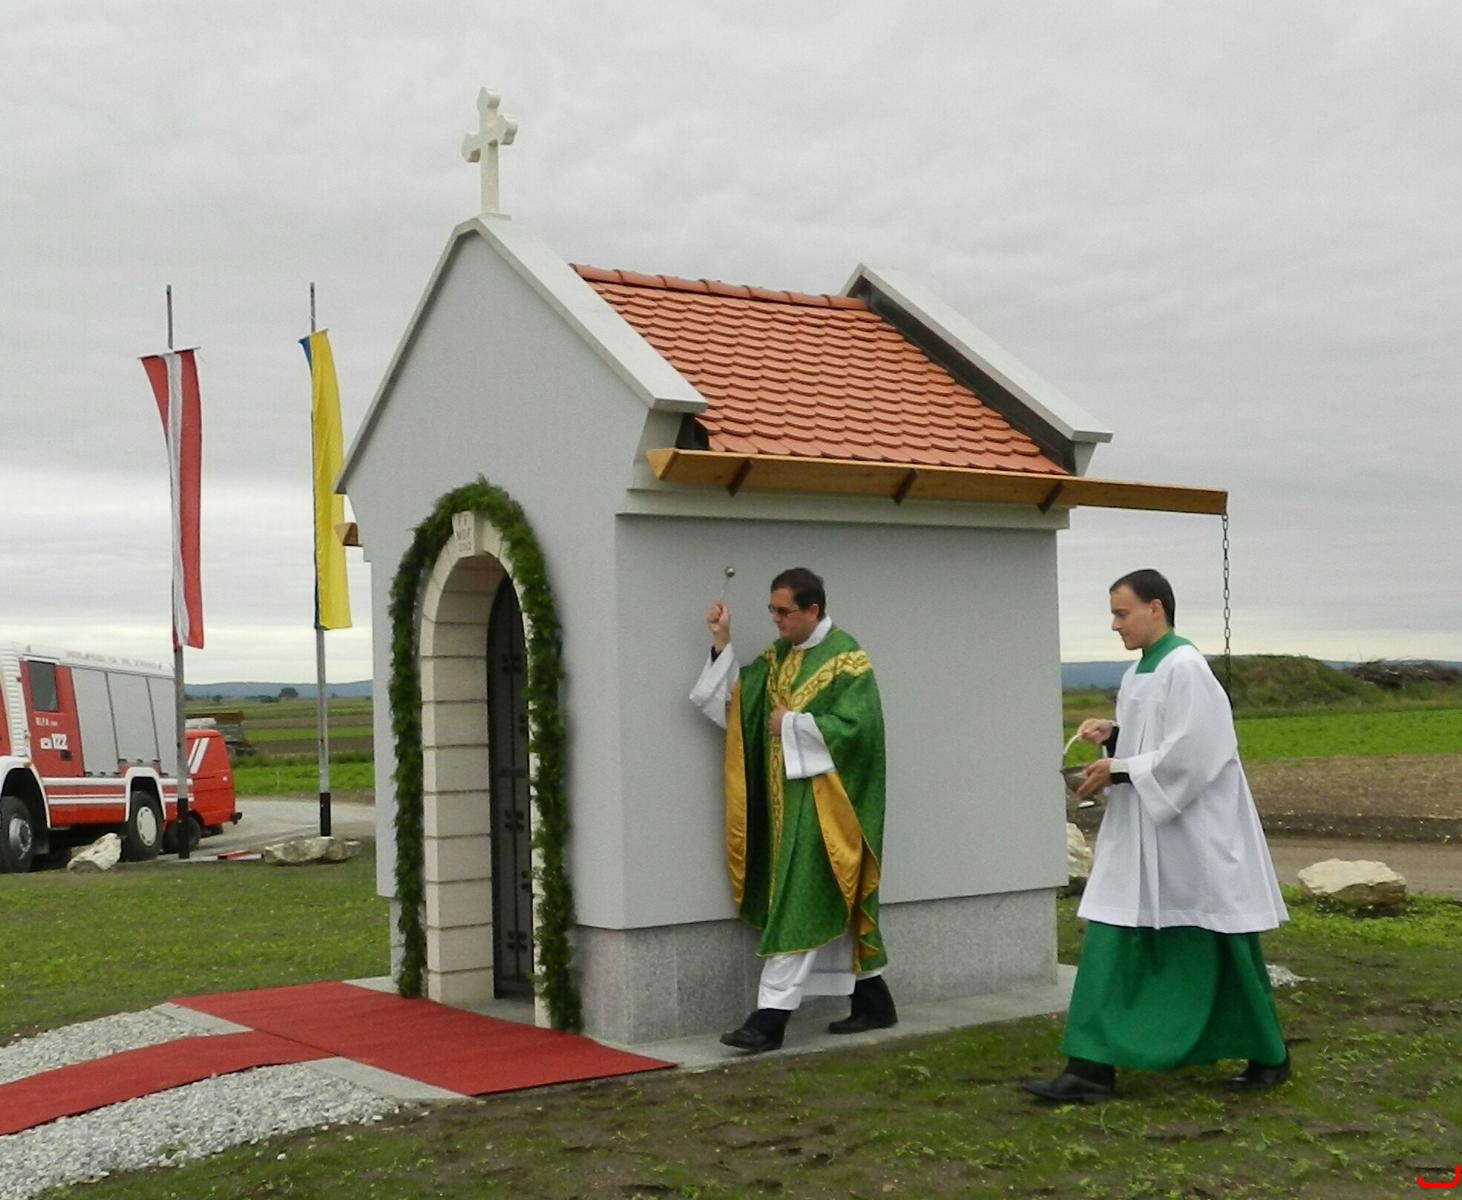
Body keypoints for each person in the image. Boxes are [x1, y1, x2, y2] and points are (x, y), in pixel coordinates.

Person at [1025, 568, 1290, 1102]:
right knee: (1111, 931)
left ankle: (1268, 1054)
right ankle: (1090, 1067)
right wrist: (1114, 736)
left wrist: (1120, 768)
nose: (1115, 625)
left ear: (1155, 608)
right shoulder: (1138, 673)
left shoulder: (1186, 667)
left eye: (1122, 613)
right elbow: (1158, 739)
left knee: (1219, 939)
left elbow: (1196, 752)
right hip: (1143, 828)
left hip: (1192, 834)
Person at [690, 567, 896, 1053]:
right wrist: (722, 642)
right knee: (831, 900)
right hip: (785, 804)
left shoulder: (847, 659)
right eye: (772, 610)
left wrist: (792, 724)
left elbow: (861, 732)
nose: (776, 620)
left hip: (828, 809)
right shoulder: (779, 656)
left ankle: (769, 1020)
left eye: (784, 611)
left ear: (813, 610)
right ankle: (873, 1000)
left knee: (798, 902)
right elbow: (741, 703)